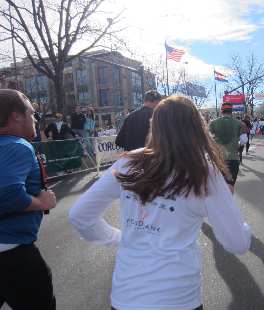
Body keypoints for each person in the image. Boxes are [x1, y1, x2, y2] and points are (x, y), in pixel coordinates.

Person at [69, 95, 251, 310]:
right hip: (179, 298)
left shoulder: (129, 162)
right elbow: (237, 244)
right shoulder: (204, 171)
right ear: (197, 127)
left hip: (126, 297)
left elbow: (80, 216)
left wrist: (118, 238)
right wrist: (244, 228)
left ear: (154, 125)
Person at [0, 89, 57, 309]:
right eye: (32, 114)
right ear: (16, 116)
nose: (35, 119)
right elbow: (7, 194)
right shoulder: (17, 145)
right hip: (12, 253)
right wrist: (42, 203)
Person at [209, 103, 242, 191]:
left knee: (217, 188)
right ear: (231, 111)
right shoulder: (238, 123)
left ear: (221, 111)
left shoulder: (213, 123)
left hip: (218, 159)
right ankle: (228, 203)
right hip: (233, 158)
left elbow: (208, 140)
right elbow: (243, 140)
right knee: (230, 186)